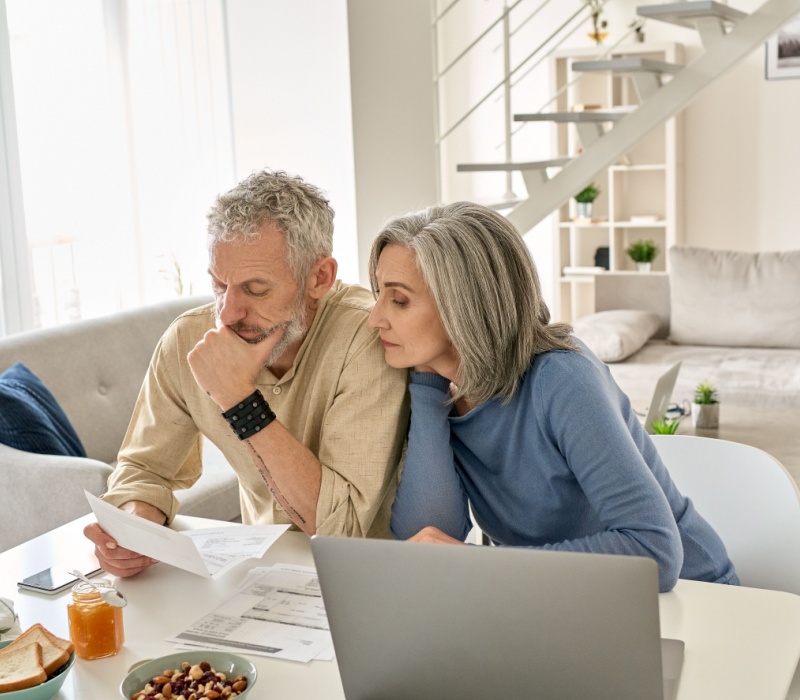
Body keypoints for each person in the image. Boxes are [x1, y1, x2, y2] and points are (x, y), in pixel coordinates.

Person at [367, 201, 737, 593]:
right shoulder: (443, 387)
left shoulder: (562, 379)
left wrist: (481, 562)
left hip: (691, 598)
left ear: (463, 307)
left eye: (399, 300)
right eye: (378, 293)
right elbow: (426, 540)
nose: (375, 317)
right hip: (565, 599)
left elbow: (654, 552)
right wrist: (427, 389)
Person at [84, 169, 410, 576]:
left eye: (256, 290)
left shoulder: (369, 338)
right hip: (258, 575)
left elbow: (338, 527)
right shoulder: (189, 338)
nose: (228, 313)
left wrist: (240, 401)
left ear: (319, 278)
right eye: (220, 285)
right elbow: (144, 469)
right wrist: (135, 525)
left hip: (368, 577)